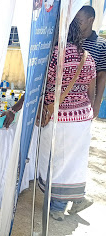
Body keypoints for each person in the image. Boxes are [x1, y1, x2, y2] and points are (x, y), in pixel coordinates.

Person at [36, 17, 96, 221]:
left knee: (56, 161)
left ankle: (58, 207)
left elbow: (43, 86)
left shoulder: (53, 55)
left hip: (59, 118)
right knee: (75, 161)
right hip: (81, 118)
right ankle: (77, 198)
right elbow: (91, 90)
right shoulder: (87, 57)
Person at [75, 6, 106, 118]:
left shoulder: (101, 44)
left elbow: (102, 75)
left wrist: (97, 103)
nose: (75, 24)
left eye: (79, 21)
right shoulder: (70, 40)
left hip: (86, 102)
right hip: (66, 100)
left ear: (90, 20)